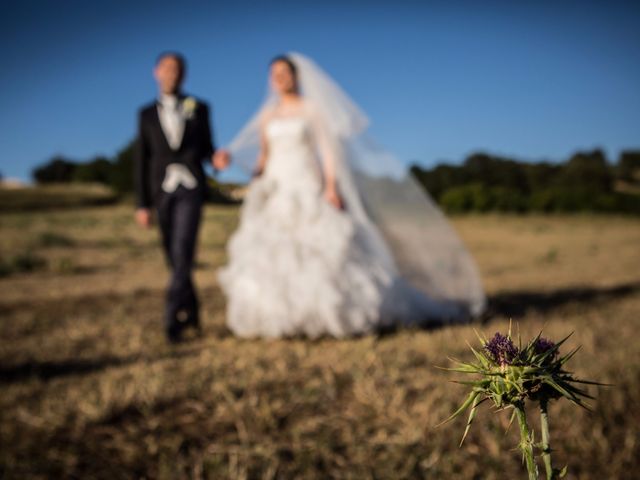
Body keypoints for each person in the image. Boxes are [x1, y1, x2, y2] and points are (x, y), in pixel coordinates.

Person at [213, 52, 486, 339]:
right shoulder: (267, 116)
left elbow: (329, 151)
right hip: (277, 185)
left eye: (285, 73)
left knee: (322, 247)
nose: (280, 79)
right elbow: (264, 157)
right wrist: (241, 170)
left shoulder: (312, 110)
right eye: (275, 74)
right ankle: (282, 319)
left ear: (296, 76)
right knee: (273, 252)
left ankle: (328, 315)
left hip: (307, 182)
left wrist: (332, 186)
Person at [134, 51, 229, 343]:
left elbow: (207, 147)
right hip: (160, 190)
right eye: (167, 68)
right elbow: (142, 159)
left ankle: (171, 319)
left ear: (183, 74)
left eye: (177, 69)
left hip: (191, 187)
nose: (171, 73)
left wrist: (217, 157)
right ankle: (193, 310)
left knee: (183, 249)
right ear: (156, 72)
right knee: (173, 257)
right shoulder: (146, 114)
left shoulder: (199, 107)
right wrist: (142, 203)